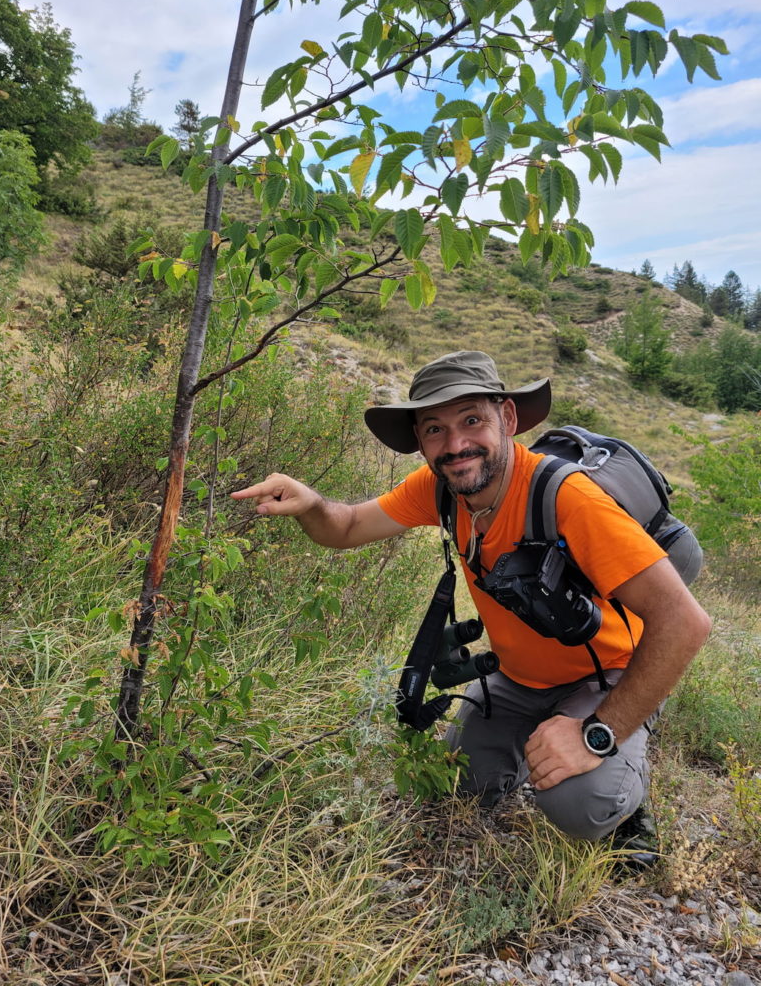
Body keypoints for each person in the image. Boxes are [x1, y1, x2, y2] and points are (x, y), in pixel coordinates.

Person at [231, 350, 711, 842]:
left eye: (472, 419)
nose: (456, 444)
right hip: (518, 677)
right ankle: (544, 741)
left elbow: (684, 622)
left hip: (605, 672)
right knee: (455, 786)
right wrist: (310, 502)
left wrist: (598, 734)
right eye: (434, 428)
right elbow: (348, 526)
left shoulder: (567, 498)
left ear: (506, 418)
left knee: (581, 804)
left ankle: (626, 799)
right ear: (419, 441)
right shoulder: (440, 489)